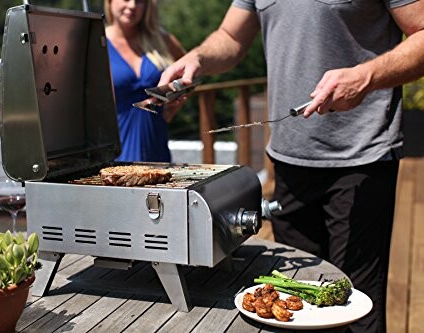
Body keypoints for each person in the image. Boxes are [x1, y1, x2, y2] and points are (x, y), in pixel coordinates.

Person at [158, 1, 424, 332]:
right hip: (288, 163)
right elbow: (230, 36)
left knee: (356, 307)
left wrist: (366, 76)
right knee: (293, 306)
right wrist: (197, 58)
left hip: (362, 159)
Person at [104, 0, 185, 162]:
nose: (133, 5)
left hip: (156, 145)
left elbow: (190, 73)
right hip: (113, 150)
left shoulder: (161, 40)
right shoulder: (97, 42)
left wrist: (176, 102)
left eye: (140, 1)